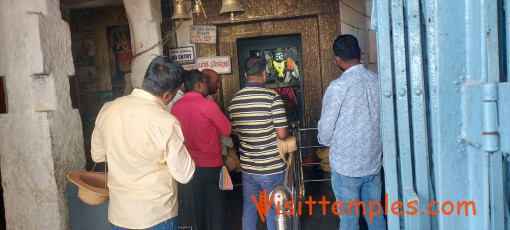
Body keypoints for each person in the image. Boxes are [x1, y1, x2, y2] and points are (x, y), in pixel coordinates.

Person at [91, 56, 196, 230]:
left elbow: (97, 155)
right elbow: (184, 175)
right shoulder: (166, 122)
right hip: (156, 216)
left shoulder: (108, 109)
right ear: (168, 95)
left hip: (120, 215)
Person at [317, 34, 385, 230]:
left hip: (346, 169)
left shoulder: (338, 88)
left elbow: (326, 133)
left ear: (338, 59)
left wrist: (324, 139)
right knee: (376, 217)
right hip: (373, 164)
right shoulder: (377, 82)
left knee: (349, 221)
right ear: (360, 53)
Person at [228, 57, 288, 230]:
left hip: (248, 168)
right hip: (271, 167)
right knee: (273, 209)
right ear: (264, 74)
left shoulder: (234, 101)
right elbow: (282, 134)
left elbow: (237, 132)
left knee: (250, 207)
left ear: (246, 75)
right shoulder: (272, 98)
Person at [171, 69, 232, 230]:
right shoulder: (208, 104)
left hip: (188, 167)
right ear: (199, 84)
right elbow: (226, 130)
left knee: (196, 210)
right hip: (211, 166)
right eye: (206, 82)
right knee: (216, 208)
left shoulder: (176, 107)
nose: (208, 86)